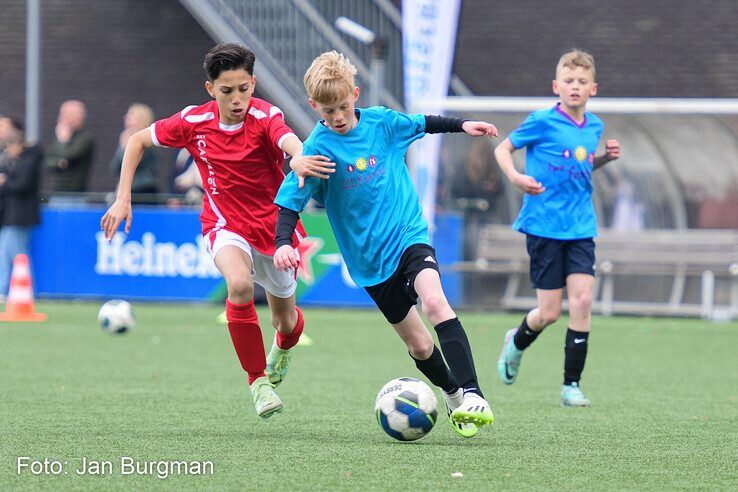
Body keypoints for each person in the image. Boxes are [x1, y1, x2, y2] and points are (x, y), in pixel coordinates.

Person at [100, 43, 334, 418]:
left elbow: (286, 139)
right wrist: (122, 197)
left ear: (253, 84)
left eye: (243, 88)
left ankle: (282, 347)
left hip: (275, 228)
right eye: (227, 91)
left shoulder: (264, 115)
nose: (237, 98)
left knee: (285, 322)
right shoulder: (194, 122)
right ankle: (257, 382)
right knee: (239, 285)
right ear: (211, 89)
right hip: (224, 224)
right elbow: (137, 140)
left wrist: (299, 156)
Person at [273, 51, 496, 438]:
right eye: (328, 110)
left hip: (408, 236)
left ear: (355, 95)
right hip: (370, 264)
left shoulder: (381, 123)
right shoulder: (315, 150)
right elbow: (290, 201)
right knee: (421, 345)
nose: (338, 116)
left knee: (435, 300)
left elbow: (424, 123)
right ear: (314, 106)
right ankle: (452, 392)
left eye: (343, 106)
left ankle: (474, 394)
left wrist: (464, 125)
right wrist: (282, 242)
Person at [493, 50, 621, 406]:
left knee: (582, 301)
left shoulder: (594, 126)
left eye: (582, 82)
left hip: (580, 226)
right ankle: (515, 343)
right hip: (544, 225)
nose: (575, 87)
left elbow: (580, 166)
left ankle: (571, 386)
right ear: (556, 86)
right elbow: (502, 149)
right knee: (548, 313)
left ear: (593, 88)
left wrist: (604, 159)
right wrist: (517, 177)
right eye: (568, 81)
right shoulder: (541, 121)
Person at [0, 120, 43, 296]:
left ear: (17, 145)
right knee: (7, 253)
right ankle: (5, 289)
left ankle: (24, 291)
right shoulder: (17, 163)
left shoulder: (28, 162)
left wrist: (5, 182)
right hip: (11, 216)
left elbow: (22, 185)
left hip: (20, 216)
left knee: (19, 256)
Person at [44, 100, 95, 193]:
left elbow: (69, 155)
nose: (61, 118)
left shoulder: (85, 138)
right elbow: (47, 161)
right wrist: (61, 163)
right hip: (57, 192)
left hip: (75, 194)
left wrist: (63, 141)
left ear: (78, 116)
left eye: (65, 114)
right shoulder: (62, 137)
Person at [110, 104, 159, 200]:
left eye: (131, 116)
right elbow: (114, 167)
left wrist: (126, 147)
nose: (126, 118)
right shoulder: (125, 138)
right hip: (126, 189)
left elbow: (136, 161)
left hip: (143, 192)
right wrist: (122, 147)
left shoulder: (147, 140)